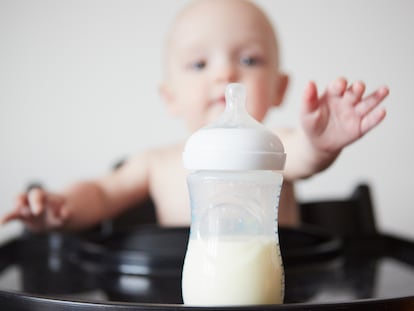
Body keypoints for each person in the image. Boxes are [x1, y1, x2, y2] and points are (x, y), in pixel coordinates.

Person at [0, 0, 389, 232]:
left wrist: (319, 142)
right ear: (171, 97)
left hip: (279, 293)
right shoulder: (158, 164)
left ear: (279, 89)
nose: (225, 74)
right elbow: (103, 193)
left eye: (249, 59)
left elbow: (302, 156)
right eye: (199, 63)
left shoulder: (273, 146)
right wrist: (60, 207)